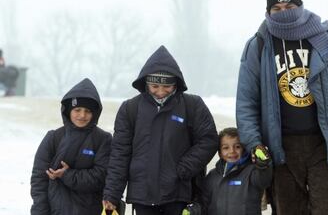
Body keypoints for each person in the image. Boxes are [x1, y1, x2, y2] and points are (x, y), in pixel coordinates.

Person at [236, 0, 328, 214]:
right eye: (277, 9)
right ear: (268, 11)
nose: (284, 12)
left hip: (324, 144)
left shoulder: (325, 38)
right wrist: (254, 142)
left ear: (299, 5)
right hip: (281, 149)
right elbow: (246, 101)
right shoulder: (259, 45)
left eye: (289, 5)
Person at [102, 45, 219, 215]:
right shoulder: (130, 109)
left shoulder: (192, 105)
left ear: (176, 84)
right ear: (146, 83)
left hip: (181, 194)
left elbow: (209, 140)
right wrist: (112, 193)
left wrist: (185, 168)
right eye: (155, 86)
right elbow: (120, 154)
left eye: (167, 87)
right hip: (143, 196)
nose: (161, 92)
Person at [30, 78, 112, 215]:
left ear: (95, 113)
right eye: (77, 110)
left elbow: (101, 176)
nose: (82, 115)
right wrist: (40, 211)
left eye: (88, 111)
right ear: (68, 111)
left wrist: (67, 175)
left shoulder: (103, 139)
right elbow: (39, 180)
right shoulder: (53, 138)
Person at [200, 127, 272, 215]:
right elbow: (203, 203)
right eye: (226, 148)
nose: (232, 151)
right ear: (220, 153)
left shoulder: (252, 171)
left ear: (244, 149)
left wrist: (263, 165)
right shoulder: (212, 175)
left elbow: (264, 180)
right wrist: (195, 210)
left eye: (237, 146)